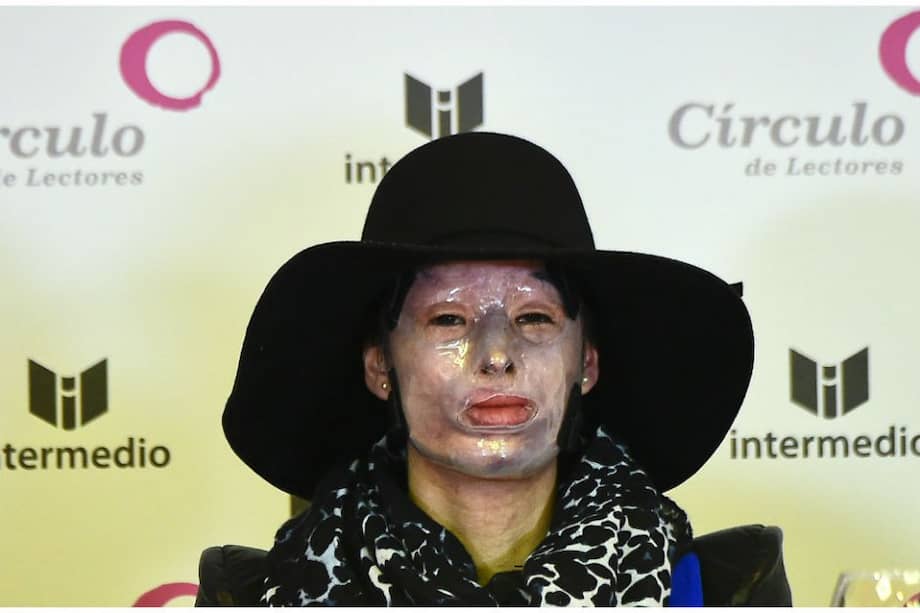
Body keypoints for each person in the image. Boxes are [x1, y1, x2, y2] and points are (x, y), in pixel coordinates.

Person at [218, 132, 779, 606]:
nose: (495, 355)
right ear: (380, 365)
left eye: (533, 317)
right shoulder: (246, 596)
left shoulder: (724, 588)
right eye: (448, 320)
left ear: (585, 362)